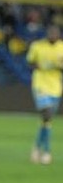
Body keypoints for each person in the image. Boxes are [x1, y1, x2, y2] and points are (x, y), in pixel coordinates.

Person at [26, 25, 63, 165]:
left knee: (46, 121)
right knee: (47, 115)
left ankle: (36, 148)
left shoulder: (62, 47)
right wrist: (40, 66)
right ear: (47, 34)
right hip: (40, 85)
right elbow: (30, 62)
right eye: (51, 32)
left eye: (56, 33)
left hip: (56, 87)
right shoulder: (37, 46)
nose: (53, 35)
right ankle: (47, 152)